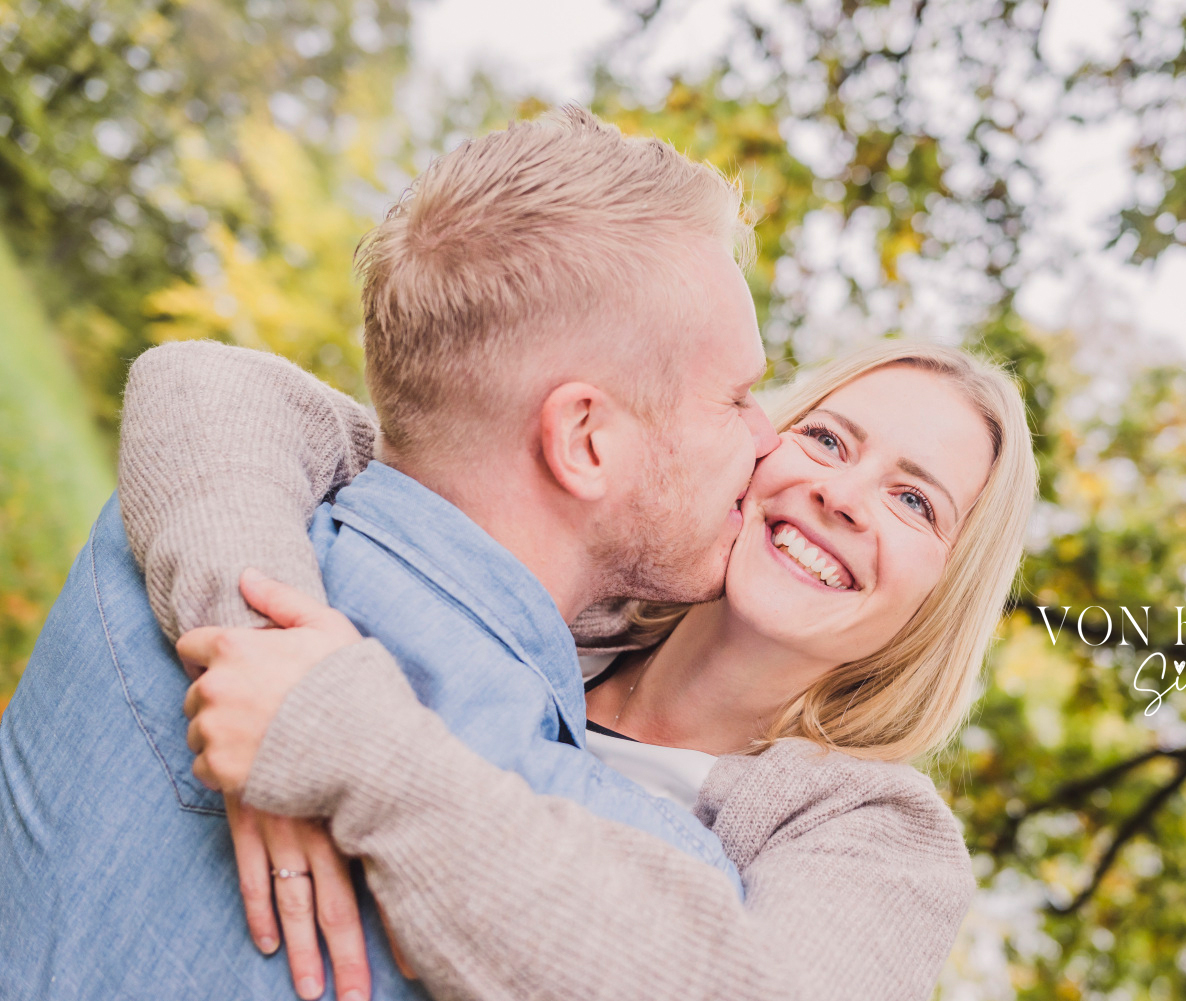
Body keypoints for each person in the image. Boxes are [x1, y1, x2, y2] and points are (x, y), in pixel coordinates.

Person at [0, 107, 780, 1001]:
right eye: (737, 397)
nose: (768, 438)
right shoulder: (639, 873)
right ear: (586, 441)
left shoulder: (148, 548)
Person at [121, 337, 1037, 1001]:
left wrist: (355, 755)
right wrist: (258, 650)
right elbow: (207, 387)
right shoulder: (567, 578)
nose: (840, 494)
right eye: (828, 439)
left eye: (914, 501)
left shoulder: (877, 839)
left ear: (943, 596)